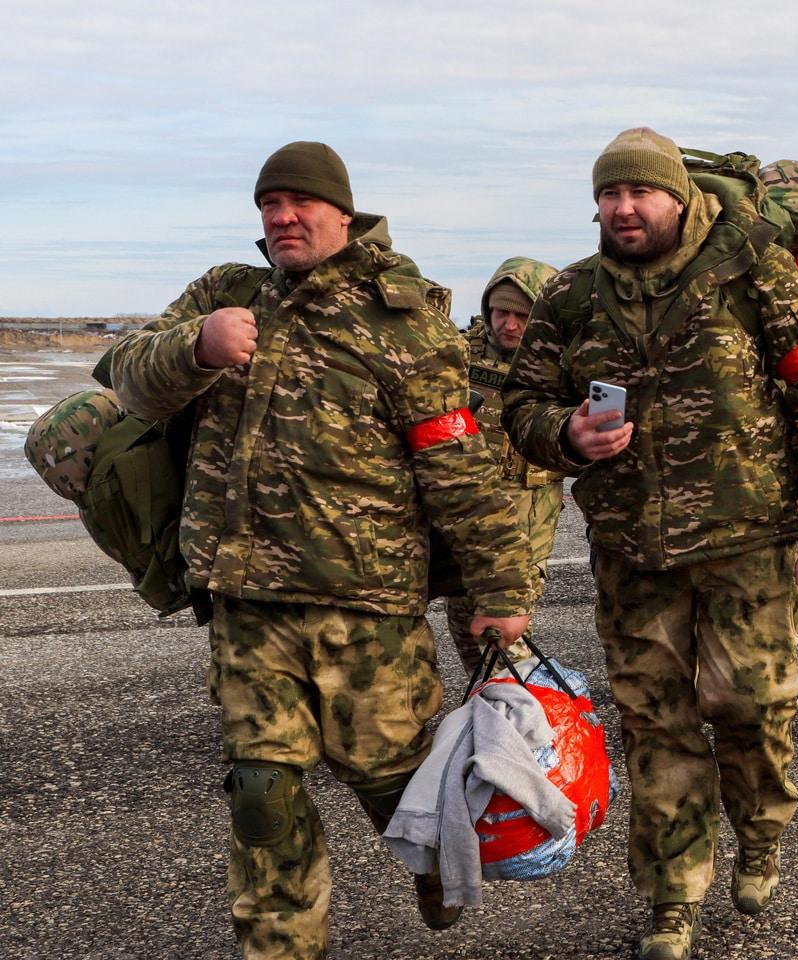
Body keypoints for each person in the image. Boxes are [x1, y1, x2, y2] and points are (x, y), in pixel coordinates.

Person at [106, 141, 534, 959]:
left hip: (365, 606)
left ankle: (439, 871)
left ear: (343, 210)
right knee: (261, 794)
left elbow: (457, 463)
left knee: (395, 783)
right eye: (269, 204)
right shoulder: (225, 295)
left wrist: (502, 588)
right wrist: (194, 348)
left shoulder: (399, 317)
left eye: (300, 202)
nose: (283, 217)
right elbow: (125, 377)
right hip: (245, 602)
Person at [501, 127, 798, 960]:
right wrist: (564, 433)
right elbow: (521, 406)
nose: (624, 209)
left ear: (679, 197)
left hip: (751, 541)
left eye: (640, 193)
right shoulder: (572, 295)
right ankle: (674, 895)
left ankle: (761, 830)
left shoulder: (754, 273)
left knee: (749, 707)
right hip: (633, 553)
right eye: (609, 195)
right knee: (654, 725)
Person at [443, 257, 563, 673]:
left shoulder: (562, 360)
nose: (509, 325)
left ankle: (529, 716)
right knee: (462, 616)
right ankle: (494, 709)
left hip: (527, 506)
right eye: (501, 313)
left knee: (503, 624)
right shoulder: (457, 353)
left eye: (522, 315)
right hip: (467, 501)